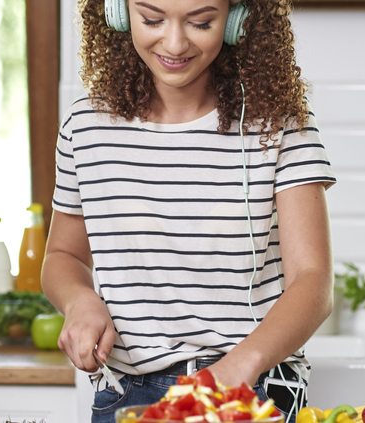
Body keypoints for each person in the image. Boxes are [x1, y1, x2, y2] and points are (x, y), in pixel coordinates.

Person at [41, 0, 336, 421]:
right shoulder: (85, 127)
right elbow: (62, 256)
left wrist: (238, 367)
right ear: (117, 13)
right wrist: (79, 300)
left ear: (236, 21)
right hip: (128, 393)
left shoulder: (279, 124)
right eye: (152, 19)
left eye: (201, 22)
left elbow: (314, 281)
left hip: (249, 387)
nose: (175, 43)